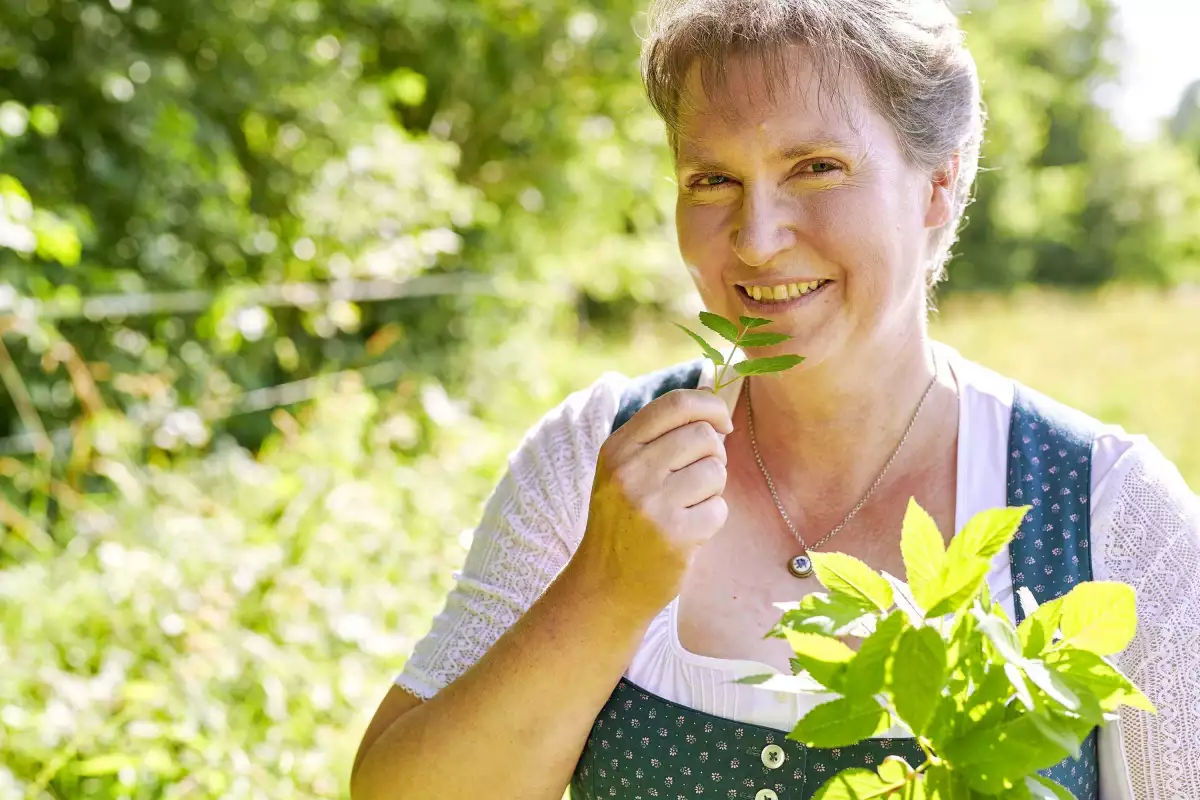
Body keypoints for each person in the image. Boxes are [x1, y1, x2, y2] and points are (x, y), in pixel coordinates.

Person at [350, 0, 1200, 797]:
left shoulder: (1104, 509)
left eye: (818, 167)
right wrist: (606, 588)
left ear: (938, 183)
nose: (756, 241)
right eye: (711, 181)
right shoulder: (591, 460)